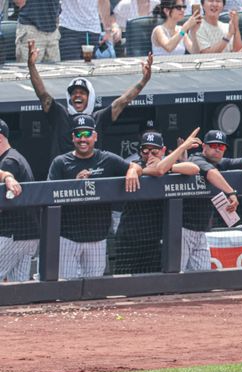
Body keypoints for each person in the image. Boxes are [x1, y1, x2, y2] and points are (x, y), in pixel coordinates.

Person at [47, 115, 141, 280]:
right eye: (78, 134)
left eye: (87, 134)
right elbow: (48, 195)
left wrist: (133, 170)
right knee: (66, 287)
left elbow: (135, 165)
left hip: (97, 238)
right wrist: (74, 184)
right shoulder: (60, 162)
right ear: (73, 138)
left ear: (95, 136)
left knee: (94, 288)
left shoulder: (107, 159)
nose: (83, 139)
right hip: (68, 237)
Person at [26, 40, 154, 160]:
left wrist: (144, 80)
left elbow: (123, 101)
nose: (77, 96)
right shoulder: (59, 114)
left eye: (82, 93)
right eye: (74, 93)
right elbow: (42, 94)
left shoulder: (98, 118)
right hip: (63, 178)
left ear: (90, 97)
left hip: (92, 178)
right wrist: (31, 66)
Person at [115, 129, 202, 274]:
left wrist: (170, 166)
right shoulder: (135, 165)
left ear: (163, 150)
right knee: (125, 282)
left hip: (155, 238)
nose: (149, 155)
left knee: (154, 281)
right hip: (130, 237)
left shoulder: (167, 164)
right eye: (145, 151)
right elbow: (158, 171)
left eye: (154, 151)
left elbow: (194, 168)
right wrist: (182, 148)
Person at [184, 130, 242, 271]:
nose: (217, 149)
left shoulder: (221, 163)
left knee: (203, 277)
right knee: (175, 273)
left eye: (221, 147)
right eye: (213, 145)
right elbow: (211, 173)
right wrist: (231, 192)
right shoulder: (195, 159)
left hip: (201, 231)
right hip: (182, 229)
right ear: (204, 146)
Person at [0, 119, 39, 282]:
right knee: (18, 287)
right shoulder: (14, 157)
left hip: (13, 235)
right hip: (27, 235)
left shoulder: (9, 161)